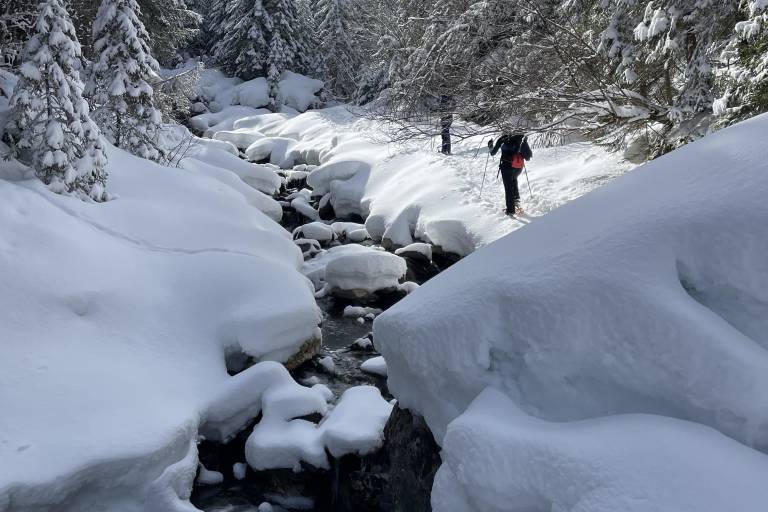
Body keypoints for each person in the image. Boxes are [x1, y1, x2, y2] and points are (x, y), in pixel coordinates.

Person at [488, 132, 533, 216]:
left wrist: (490, 146)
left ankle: (510, 210)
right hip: (518, 166)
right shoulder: (521, 137)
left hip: (507, 166)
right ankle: (516, 201)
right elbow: (527, 156)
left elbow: (492, 153)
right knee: (514, 180)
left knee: (508, 187)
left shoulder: (503, 138)